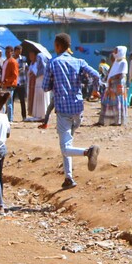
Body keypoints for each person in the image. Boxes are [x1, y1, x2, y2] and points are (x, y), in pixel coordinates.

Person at [40, 33, 101, 190]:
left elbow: (45, 87)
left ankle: (88, 152)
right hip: (78, 109)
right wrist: (95, 91)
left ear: (58, 46)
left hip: (63, 109)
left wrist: (55, 83)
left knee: (65, 147)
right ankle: (68, 177)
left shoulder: (53, 63)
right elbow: (96, 75)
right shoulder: (78, 61)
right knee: (68, 142)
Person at [99, 46, 127, 126]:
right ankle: (105, 120)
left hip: (118, 85)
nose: (114, 53)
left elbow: (121, 74)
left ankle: (117, 121)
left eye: (116, 51)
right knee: (107, 102)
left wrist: (111, 79)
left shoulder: (123, 62)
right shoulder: (116, 62)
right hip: (111, 85)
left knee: (117, 102)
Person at [25, 44, 49, 121]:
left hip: (40, 84)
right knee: (36, 100)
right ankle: (36, 114)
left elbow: (36, 73)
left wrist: (33, 72)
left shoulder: (42, 67)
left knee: (41, 100)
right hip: (34, 85)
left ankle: (42, 115)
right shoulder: (32, 64)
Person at [2, 45, 24, 120]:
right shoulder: (5, 61)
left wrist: (6, 81)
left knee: (9, 103)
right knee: (5, 103)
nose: (7, 53)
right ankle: (6, 118)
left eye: (8, 52)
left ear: (12, 52)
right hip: (4, 85)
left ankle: (10, 119)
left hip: (10, 85)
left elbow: (15, 75)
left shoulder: (13, 62)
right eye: (6, 52)